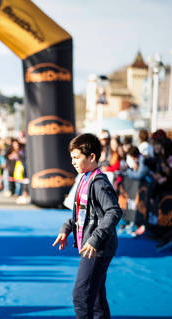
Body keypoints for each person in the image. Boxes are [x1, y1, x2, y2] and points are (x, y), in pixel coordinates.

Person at [52, 133, 123, 319]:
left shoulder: (98, 182)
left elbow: (114, 211)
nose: (73, 162)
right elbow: (83, 214)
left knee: (81, 296)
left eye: (76, 158)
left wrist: (95, 239)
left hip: (97, 249)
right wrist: (66, 228)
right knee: (97, 297)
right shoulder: (85, 178)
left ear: (91, 157)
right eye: (72, 158)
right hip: (91, 245)